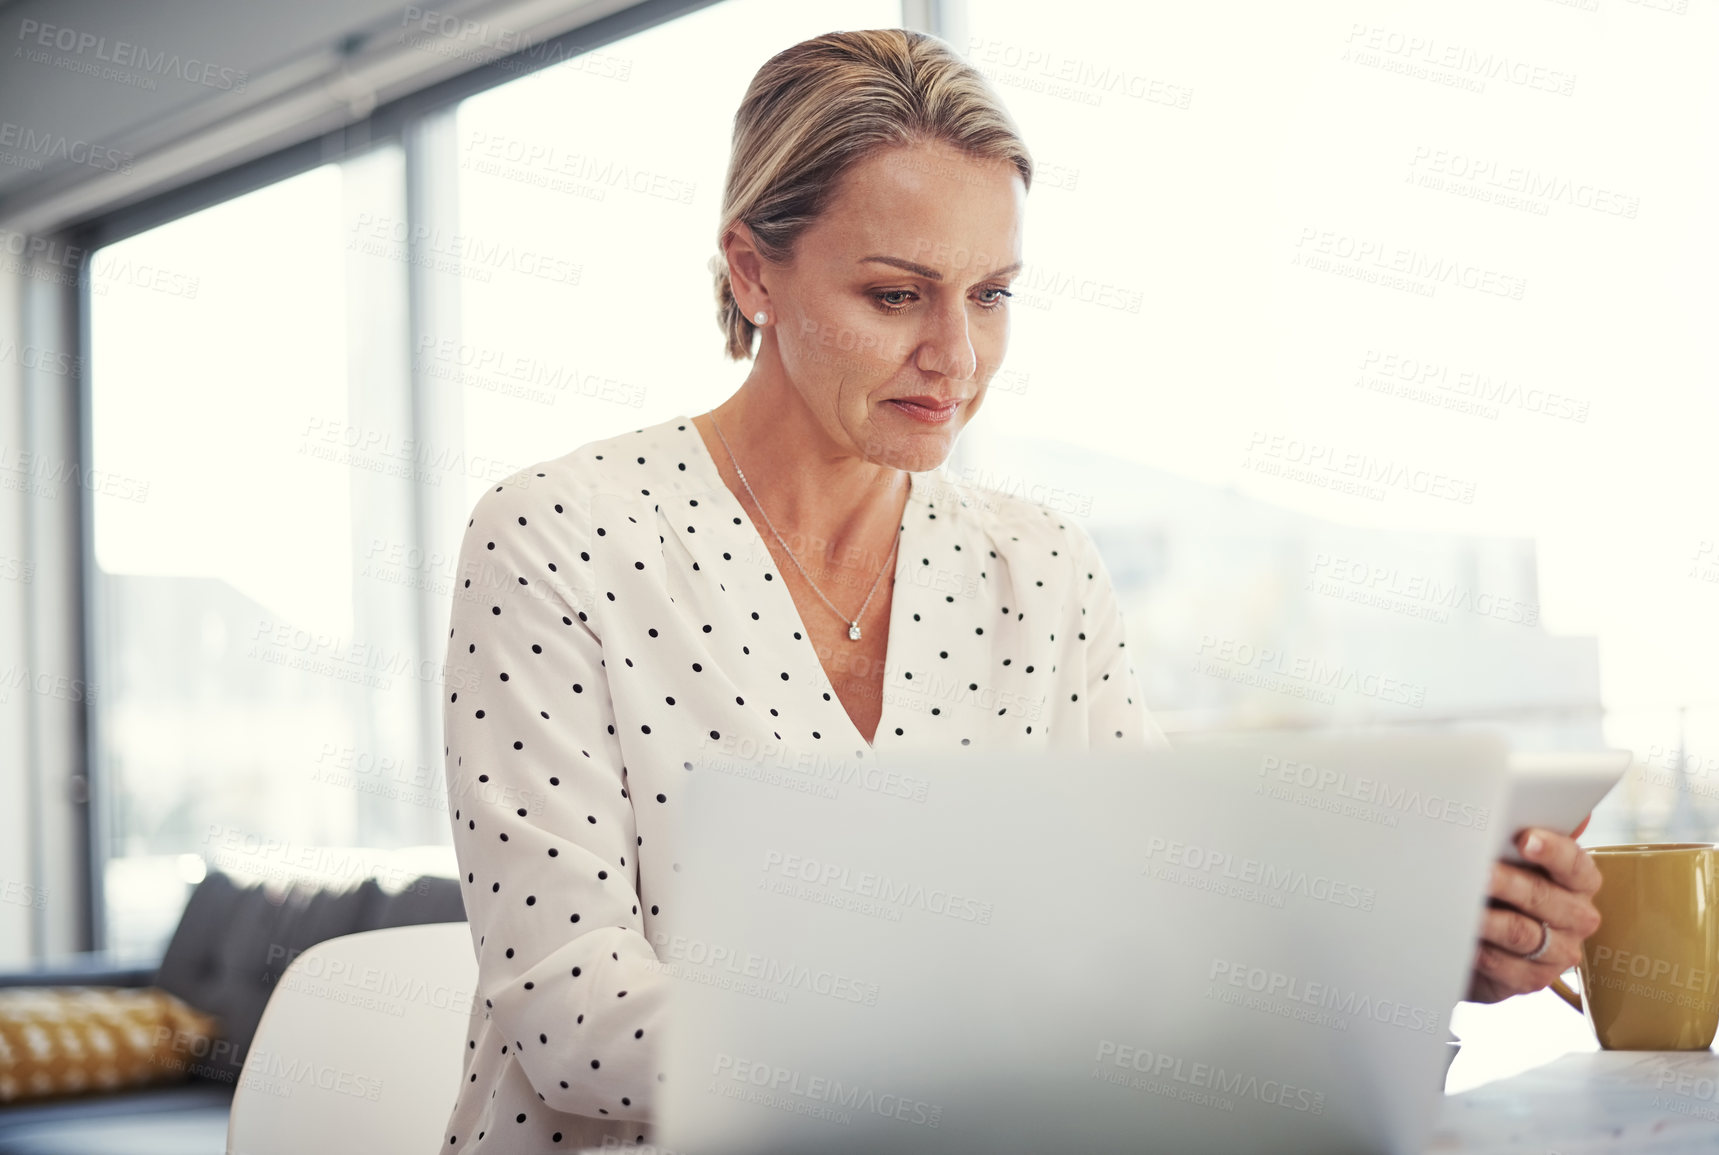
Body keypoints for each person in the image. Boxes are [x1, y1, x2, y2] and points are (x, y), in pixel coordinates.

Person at [435, 28, 1600, 1153]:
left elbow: (1153, 945)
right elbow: (571, 1020)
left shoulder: (1037, 569)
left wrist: (1417, 953)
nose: (957, 358)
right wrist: (1005, 1043)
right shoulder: (559, 537)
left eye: (991, 295)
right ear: (754, 272)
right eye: (896, 296)